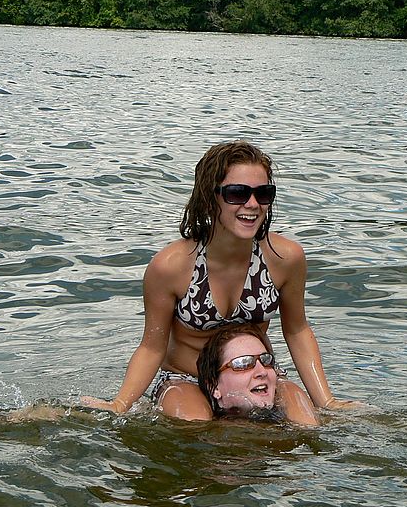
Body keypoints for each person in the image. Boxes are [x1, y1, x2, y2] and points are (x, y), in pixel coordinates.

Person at [81, 140, 353, 420]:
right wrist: (119, 404)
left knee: (306, 420)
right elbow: (152, 346)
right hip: (185, 379)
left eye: (263, 193)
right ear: (211, 198)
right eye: (237, 193)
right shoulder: (172, 266)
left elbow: (297, 330)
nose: (252, 204)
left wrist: (327, 401)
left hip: (256, 377)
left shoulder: (285, 259)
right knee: (196, 425)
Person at [193, 323, 319, 425]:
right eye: (243, 364)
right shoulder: (205, 437)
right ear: (214, 386)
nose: (262, 371)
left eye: (266, 360)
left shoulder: (294, 422)